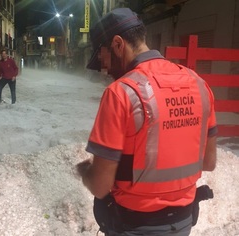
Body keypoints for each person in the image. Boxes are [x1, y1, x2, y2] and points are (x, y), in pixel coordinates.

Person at [76, 8, 217, 236]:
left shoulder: (121, 93)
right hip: (182, 223)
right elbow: (209, 162)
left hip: (133, 225)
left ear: (118, 44)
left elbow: (100, 185)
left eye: (103, 58)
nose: (104, 69)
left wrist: (84, 171)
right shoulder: (199, 85)